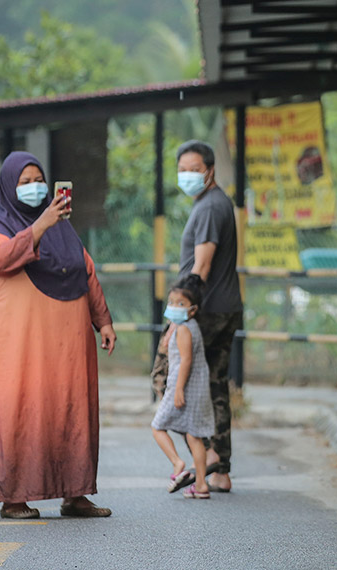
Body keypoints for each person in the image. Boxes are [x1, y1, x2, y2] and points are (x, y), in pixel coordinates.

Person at [0, 151, 116, 519]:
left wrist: (104, 321)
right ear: (8, 186)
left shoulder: (63, 230)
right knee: (19, 415)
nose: (35, 187)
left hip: (66, 347)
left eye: (38, 180)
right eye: (25, 181)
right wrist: (39, 227)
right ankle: (13, 498)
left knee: (71, 412)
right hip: (16, 348)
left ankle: (75, 494)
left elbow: (86, 271)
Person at [173, 139, 243, 493]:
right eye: (182, 171)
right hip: (222, 306)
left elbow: (201, 264)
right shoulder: (211, 203)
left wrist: (182, 310)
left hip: (208, 309)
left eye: (194, 170)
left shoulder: (211, 207)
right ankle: (219, 470)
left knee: (179, 384)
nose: (187, 176)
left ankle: (209, 457)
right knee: (214, 384)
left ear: (210, 171)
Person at [152, 276, 215, 499]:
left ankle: (178, 463)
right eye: (171, 302)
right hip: (196, 387)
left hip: (184, 387)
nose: (174, 307)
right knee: (194, 436)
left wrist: (178, 390)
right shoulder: (190, 326)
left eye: (181, 304)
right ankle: (201, 485)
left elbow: (185, 361)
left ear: (193, 309)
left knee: (157, 426)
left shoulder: (184, 330)